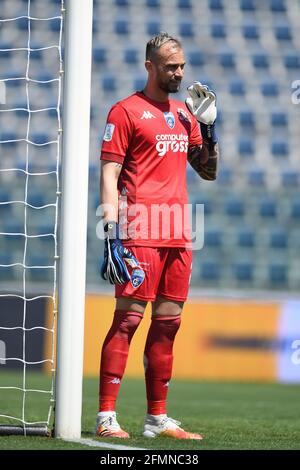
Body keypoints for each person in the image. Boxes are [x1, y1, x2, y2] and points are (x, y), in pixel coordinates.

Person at [96, 32, 219, 440]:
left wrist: (210, 130)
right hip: (138, 230)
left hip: (179, 232)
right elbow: (109, 174)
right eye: (171, 66)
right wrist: (110, 231)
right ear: (150, 66)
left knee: (168, 326)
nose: (179, 72)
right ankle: (107, 416)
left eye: (181, 65)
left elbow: (207, 170)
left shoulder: (186, 115)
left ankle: (157, 419)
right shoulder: (125, 111)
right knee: (128, 321)